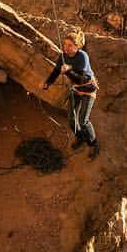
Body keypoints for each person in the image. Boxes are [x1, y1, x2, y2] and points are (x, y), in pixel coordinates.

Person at [43, 30, 99, 158]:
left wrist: (68, 71)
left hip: (88, 89)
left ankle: (93, 144)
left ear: (77, 46)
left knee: (83, 120)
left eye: (69, 45)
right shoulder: (63, 56)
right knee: (71, 119)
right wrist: (48, 83)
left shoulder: (82, 56)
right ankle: (80, 137)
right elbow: (56, 71)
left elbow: (80, 79)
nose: (66, 48)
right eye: (65, 45)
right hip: (76, 89)